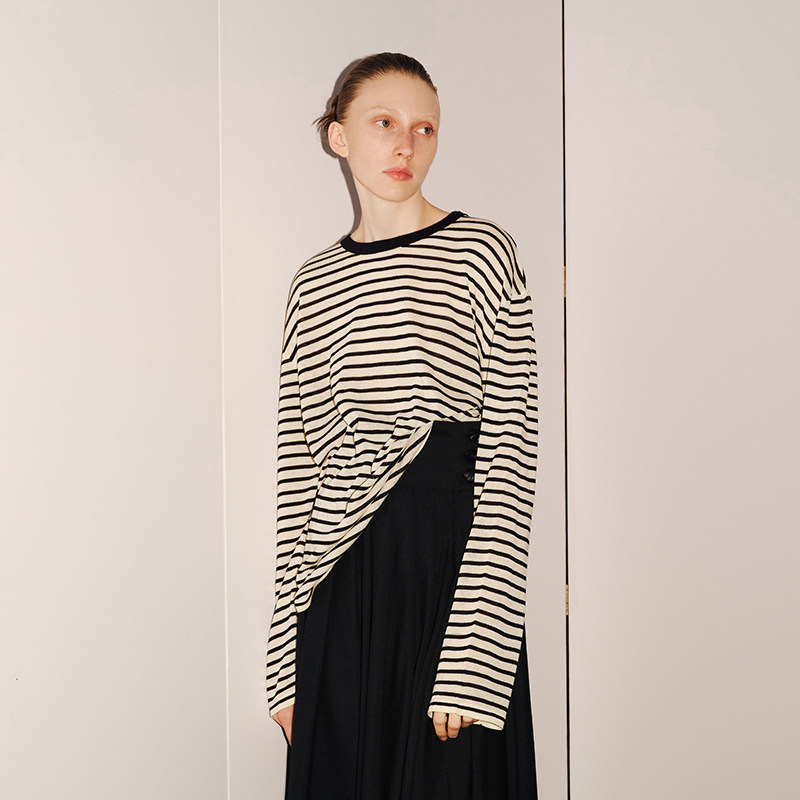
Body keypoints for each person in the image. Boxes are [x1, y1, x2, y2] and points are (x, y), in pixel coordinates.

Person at [266, 52, 539, 799]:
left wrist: (477, 656)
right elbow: (300, 472)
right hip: (340, 587)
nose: (406, 144)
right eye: (384, 122)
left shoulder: (484, 253)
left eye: (425, 128)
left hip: (447, 576)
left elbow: (510, 456)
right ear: (339, 135)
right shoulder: (312, 283)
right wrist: (284, 663)